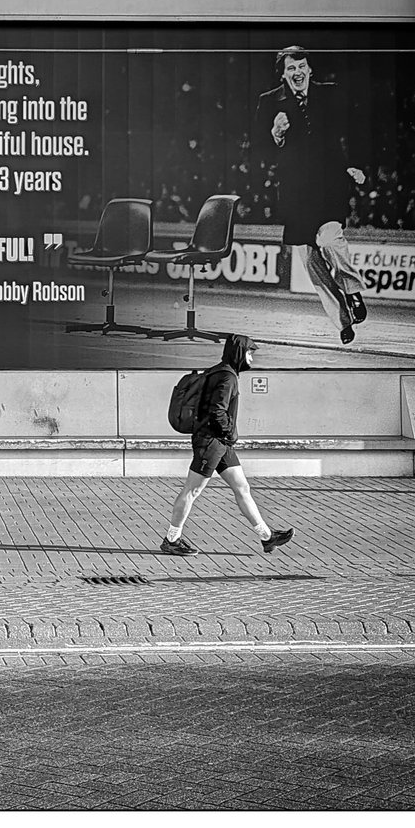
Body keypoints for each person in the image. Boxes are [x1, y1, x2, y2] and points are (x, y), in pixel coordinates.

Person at [256, 45, 370, 344]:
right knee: (310, 261)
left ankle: (354, 292)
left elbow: (355, 127)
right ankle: (342, 321)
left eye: (301, 66)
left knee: (330, 240)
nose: (296, 72)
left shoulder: (330, 93)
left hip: (329, 183)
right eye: (290, 68)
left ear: (309, 69)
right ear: (283, 73)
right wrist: (276, 134)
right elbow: (260, 149)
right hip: (295, 191)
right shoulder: (268, 102)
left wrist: (356, 164)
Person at [161, 334, 294, 557]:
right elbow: (217, 411)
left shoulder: (219, 371)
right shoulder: (226, 377)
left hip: (219, 443)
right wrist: (230, 432)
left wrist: (227, 436)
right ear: (239, 353)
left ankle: (267, 536)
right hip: (211, 442)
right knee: (192, 490)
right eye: (249, 352)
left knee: (242, 488)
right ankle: (171, 540)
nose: (251, 357)